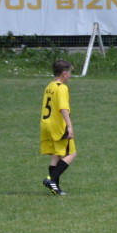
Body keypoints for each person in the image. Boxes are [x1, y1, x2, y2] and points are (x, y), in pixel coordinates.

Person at [41, 59, 76, 195]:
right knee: (71, 154)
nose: (70, 75)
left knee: (56, 155)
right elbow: (63, 108)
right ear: (64, 73)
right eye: (69, 72)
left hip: (46, 124)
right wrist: (69, 126)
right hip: (58, 126)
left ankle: (55, 188)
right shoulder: (62, 88)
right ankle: (51, 179)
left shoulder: (49, 86)